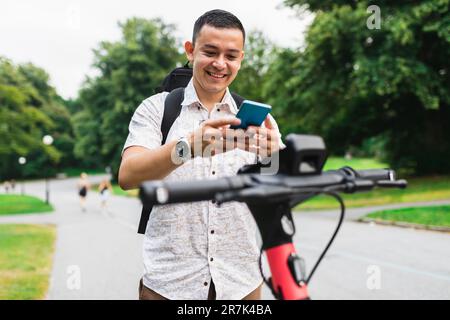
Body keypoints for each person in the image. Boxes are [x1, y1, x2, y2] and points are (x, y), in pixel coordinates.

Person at [119, 9, 283, 300]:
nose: (220, 64)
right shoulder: (157, 109)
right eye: (210, 52)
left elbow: (275, 193)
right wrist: (188, 148)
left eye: (231, 56)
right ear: (191, 51)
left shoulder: (258, 120)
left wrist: (275, 157)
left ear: (241, 59)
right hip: (169, 286)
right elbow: (128, 176)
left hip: (241, 284)